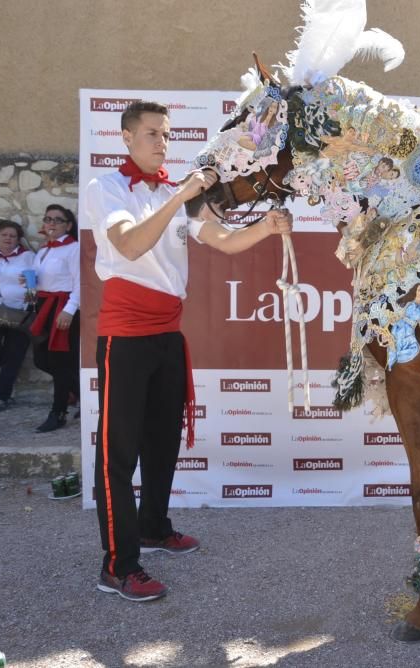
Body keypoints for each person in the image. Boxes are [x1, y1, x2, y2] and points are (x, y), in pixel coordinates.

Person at [87, 100, 293, 602]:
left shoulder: (173, 193)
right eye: (153, 133)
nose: (162, 142)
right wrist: (180, 193)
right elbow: (131, 245)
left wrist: (265, 228)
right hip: (124, 337)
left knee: (162, 443)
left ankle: (155, 528)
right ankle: (117, 565)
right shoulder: (106, 188)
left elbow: (220, 240)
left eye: (166, 133)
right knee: (118, 456)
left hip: (165, 335)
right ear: (127, 137)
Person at [30, 205, 80, 432]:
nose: (50, 223)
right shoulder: (44, 250)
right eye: (47, 219)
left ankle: (58, 412)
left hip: (63, 307)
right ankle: (81, 393)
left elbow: (80, 282)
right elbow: (42, 279)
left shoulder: (74, 248)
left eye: (57, 220)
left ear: (68, 225)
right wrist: (29, 283)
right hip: (44, 306)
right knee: (40, 359)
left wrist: (69, 310)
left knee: (60, 362)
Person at [0, 220, 35, 411]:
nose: (8, 238)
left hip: (19, 313)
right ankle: (4, 367)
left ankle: (1, 397)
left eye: (12, 236)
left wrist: (32, 281)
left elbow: (38, 278)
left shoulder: (28, 257)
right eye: (4, 235)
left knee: (15, 353)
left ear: (18, 239)